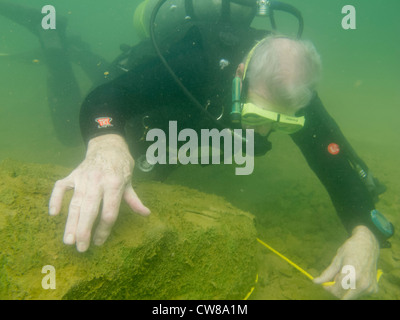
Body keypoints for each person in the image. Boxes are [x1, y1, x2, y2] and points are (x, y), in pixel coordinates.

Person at [2, 0, 393, 300]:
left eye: (284, 123)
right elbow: (108, 100)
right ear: (241, 75)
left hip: (196, 129)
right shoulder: (196, 61)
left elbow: (338, 161)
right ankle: (54, 38)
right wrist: (107, 146)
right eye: (260, 114)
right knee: (72, 132)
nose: (267, 129)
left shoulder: (293, 89)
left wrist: (365, 234)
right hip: (160, 106)